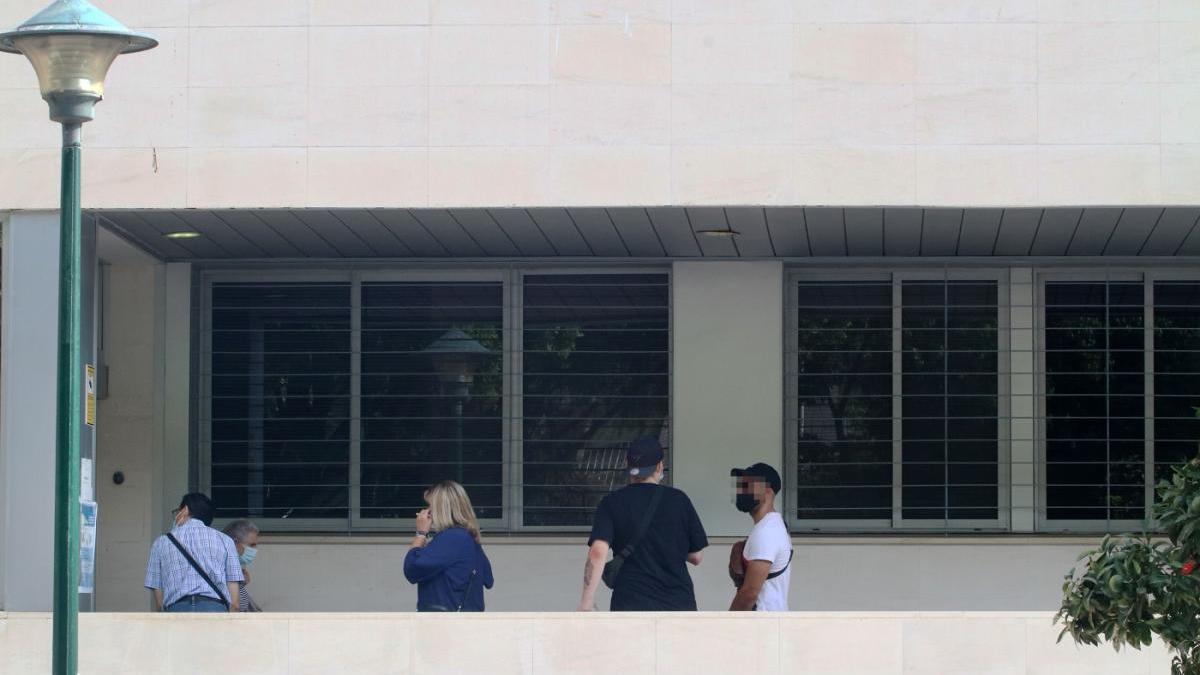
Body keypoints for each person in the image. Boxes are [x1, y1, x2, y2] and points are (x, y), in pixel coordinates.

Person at [578, 436, 708, 611]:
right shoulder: (679, 500)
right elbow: (696, 557)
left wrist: (586, 603)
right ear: (660, 466)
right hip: (678, 604)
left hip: (630, 604)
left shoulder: (611, 503)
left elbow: (597, 553)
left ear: (627, 464)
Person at [403, 480, 494, 611]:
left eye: (429, 506)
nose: (427, 511)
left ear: (441, 509)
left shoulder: (452, 538)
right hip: (466, 621)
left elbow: (411, 568)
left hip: (445, 624)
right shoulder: (468, 538)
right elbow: (488, 579)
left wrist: (421, 533)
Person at [144, 492, 243, 612]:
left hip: (176, 612)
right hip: (215, 612)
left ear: (185, 510)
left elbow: (159, 603)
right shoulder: (225, 541)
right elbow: (235, 603)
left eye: (177, 512)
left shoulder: (161, 542)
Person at [727, 463, 792, 611]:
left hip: (764, 625)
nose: (742, 491)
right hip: (766, 623)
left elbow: (750, 593)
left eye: (749, 485)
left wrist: (728, 623)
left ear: (768, 492)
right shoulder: (770, 526)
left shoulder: (767, 531)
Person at [222, 518, 261, 612]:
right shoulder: (221, 569)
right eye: (252, 545)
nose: (255, 549)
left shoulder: (234, 570)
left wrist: (241, 584)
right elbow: (237, 606)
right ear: (234, 543)